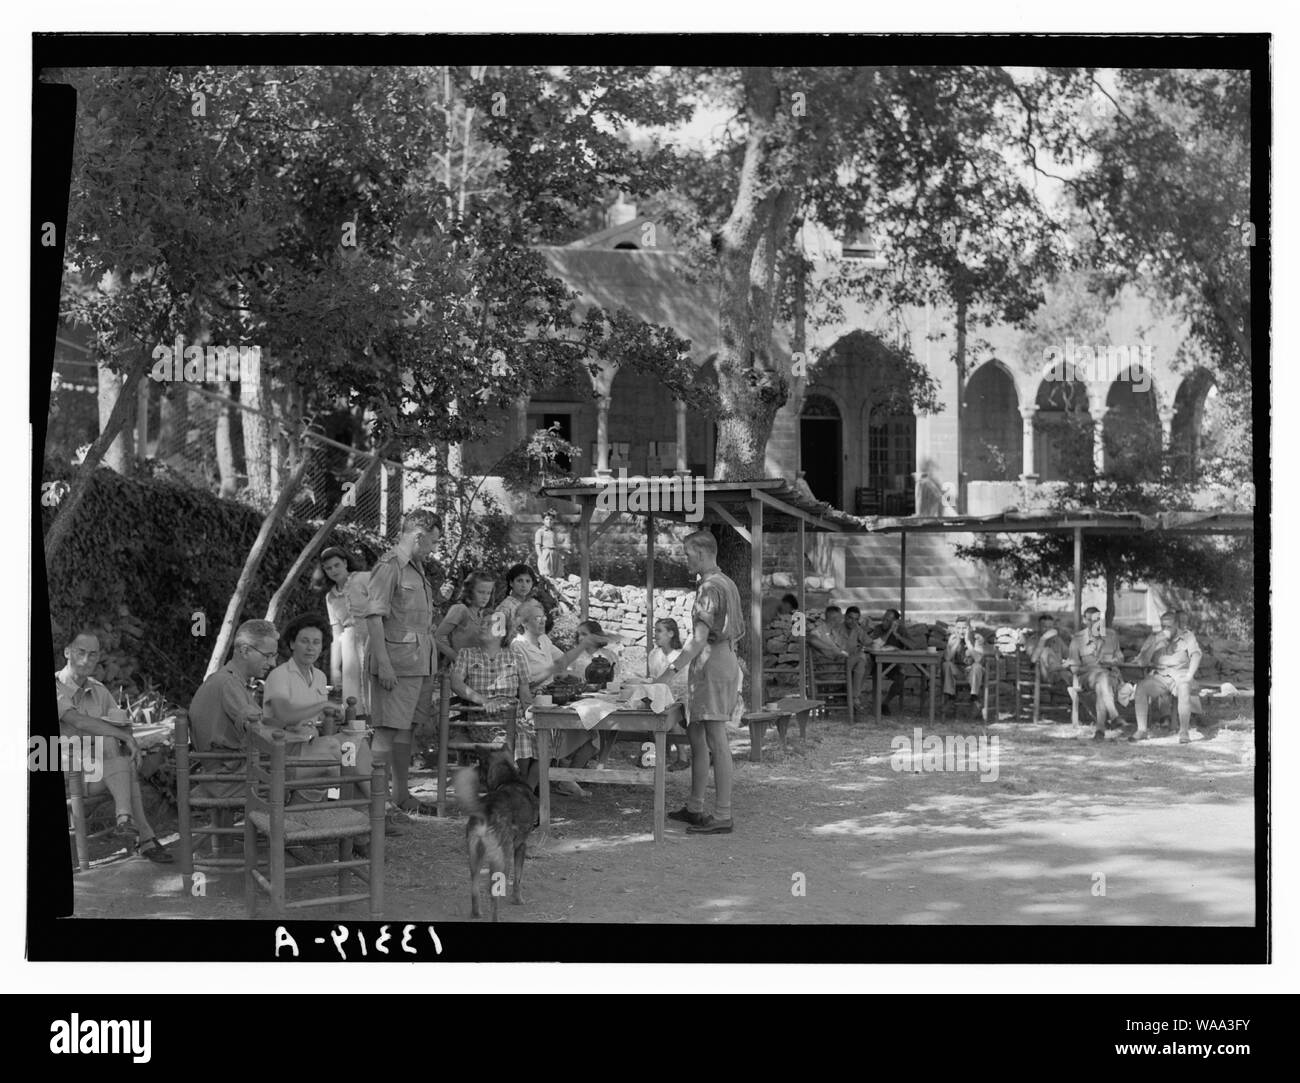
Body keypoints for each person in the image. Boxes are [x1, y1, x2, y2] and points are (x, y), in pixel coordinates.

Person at [653, 530, 743, 835]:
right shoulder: (726, 582)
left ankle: (722, 815)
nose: (685, 559)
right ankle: (695, 806)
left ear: (702, 554)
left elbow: (698, 638)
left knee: (716, 738)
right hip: (722, 658)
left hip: (712, 662)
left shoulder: (709, 588)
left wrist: (669, 672)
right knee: (698, 735)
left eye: (688, 554)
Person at [56, 630, 173, 863]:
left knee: (120, 758)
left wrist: (128, 738)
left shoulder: (99, 690)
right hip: (67, 773)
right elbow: (78, 721)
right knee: (115, 751)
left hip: (99, 772)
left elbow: (121, 724)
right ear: (67, 652)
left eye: (93, 654)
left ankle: (124, 819)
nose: (86, 659)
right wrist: (124, 738)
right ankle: (144, 837)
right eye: (81, 652)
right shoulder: (57, 687)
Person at [366, 509, 441, 820]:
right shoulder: (389, 566)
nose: (435, 548)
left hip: (418, 663)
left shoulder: (417, 567)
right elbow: (373, 616)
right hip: (396, 665)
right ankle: (376, 804)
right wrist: (383, 664)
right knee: (385, 731)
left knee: (405, 730)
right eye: (433, 542)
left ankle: (399, 795)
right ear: (418, 536)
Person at [262, 614, 377, 805]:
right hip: (284, 755)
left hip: (311, 747)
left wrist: (333, 715)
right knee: (339, 754)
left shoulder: (320, 677)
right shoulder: (279, 676)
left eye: (316, 642)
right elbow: (284, 715)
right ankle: (374, 808)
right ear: (292, 644)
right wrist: (322, 705)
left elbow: (311, 718)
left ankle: (374, 808)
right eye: (304, 641)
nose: (310, 647)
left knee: (356, 742)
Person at [509, 598, 609, 796]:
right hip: (532, 702)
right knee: (555, 735)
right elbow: (523, 683)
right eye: (536, 618)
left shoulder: (544, 640)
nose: (542, 621)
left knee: (590, 730)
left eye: (543, 617)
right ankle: (529, 789)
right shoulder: (517, 646)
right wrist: (552, 672)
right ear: (524, 623)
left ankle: (564, 777)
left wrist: (580, 655)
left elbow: (562, 661)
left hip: (553, 696)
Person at [189, 618, 277, 802]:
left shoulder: (223, 679)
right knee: (310, 769)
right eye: (267, 655)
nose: (273, 663)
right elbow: (260, 734)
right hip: (229, 778)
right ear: (245, 651)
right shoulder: (229, 685)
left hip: (223, 771)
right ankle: (291, 827)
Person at [452, 620, 531, 766]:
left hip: (514, 718)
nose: (482, 626)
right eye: (482, 623)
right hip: (483, 719)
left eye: (489, 624)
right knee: (518, 740)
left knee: (543, 738)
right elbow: (456, 684)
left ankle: (525, 785)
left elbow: (525, 695)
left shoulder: (516, 657)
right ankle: (513, 784)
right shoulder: (467, 654)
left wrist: (532, 716)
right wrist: (484, 701)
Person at [1131, 611, 1203, 744]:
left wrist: (1190, 675)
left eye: (1169, 626)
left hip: (1181, 674)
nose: (1165, 629)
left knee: (1184, 686)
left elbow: (1196, 655)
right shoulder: (1155, 637)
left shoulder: (1187, 636)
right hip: (1161, 676)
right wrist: (1153, 644)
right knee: (1141, 687)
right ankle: (1142, 730)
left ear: (1176, 624)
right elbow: (1142, 663)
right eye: (1163, 626)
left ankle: (1184, 732)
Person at [629, 617, 690, 770]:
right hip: (659, 695)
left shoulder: (679, 656)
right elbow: (654, 678)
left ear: (671, 633)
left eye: (659, 631)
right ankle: (651, 753)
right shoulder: (653, 654)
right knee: (649, 704)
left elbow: (682, 683)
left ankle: (682, 757)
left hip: (681, 697)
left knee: (669, 710)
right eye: (655, 631)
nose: (655, 634)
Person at [317, 546, 370, 715]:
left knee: (375, 686)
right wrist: (334, 668)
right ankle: (358, 732)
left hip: (373, 636)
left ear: (345, 563)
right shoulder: (330, 597)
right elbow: (336, 633)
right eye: (328, 568)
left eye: (336, 565)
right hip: (349, 644)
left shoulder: (363, 579)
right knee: (353, 694)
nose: (333, 570)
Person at [1068, 607, 1124, 741]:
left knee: (1101, 685)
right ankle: (1114, 714)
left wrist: (1111, 662)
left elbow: (1120, 658)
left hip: (1111, 677)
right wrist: (1094, 667)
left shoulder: (1111, 635)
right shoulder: (1077, 639)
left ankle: (1100, 731)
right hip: (1087, 678)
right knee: (1100, 677)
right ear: (1084, 620)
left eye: (1097, 620)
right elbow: (1074, 669)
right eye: (1090, 620)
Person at [870, 607, 926, 715]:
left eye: (888, 620)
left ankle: (885, 703)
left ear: (895, 622)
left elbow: (912, 645)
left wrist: (898, 636)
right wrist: (889, 632)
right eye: (884, 618)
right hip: (878, 662)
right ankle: (876, 706)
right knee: (877, 674)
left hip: (894, 663)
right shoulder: (878, 628)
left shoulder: (901, 629)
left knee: (901, 678)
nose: (884, 622)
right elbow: (875, 645)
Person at [435, 570, 496, 667]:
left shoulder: (483, 616)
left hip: (477, 672)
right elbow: (438, 637)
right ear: (470, 591)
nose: (485, 597)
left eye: (488, 593)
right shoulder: (460, 609)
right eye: (481, 592)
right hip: (457, 673)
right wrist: (458, 659)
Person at [810, 605, 868, 702]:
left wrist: (846, 652)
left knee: (862, 660)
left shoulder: (834, 632)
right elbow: (812, 639)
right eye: (841, 617)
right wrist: (831, 649)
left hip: (839, 666)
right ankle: (854, 697)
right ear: (835, 619)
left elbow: (842, 651)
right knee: (862, 659)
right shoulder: (820, 630)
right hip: (828, 670)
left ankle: (853, 697)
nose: (842, 620)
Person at [942, 617, 986, 711]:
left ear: (969, 628)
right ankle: (951, 697)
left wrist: (968, 642)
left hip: (972, 672)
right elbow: (947, 658)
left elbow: (978, 659)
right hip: (958, 671)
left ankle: (974, 697)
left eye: (964, 628)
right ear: (955, 629)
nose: (961, 631)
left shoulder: (977, 638)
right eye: (958, 628)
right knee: (946, 665)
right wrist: (956, 642)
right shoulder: (953, 638)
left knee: (977, 666)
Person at [494, 563, 538, 641]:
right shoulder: (505, 607)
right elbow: (496, 636)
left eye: (528, 581)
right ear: (511, 583)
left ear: (532, 584)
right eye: (519, 581)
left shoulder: (529, 605)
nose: (524, 585)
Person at [1028, 613, 1071, 687]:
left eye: (1050, 627)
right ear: (1039, 627)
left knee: (1069, 676)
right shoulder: (1032, 640)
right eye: (1045, 627)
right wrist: (1043, 639)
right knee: (1046, 650)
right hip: (1043, 675)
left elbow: (1070, 655)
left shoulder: (1057, 640)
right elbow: (1033, 660)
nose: (1048, 630)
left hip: (1059, 674)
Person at [534, 509, 561, 583]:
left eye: (551, 519)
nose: (549, 521)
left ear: (553, 521)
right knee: (546, 574)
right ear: (543, 521)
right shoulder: (540, 531)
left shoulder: (554, 532)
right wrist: (541, 557)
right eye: (547, 519)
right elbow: (537, 546)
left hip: (554, 554)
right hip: (545, 553)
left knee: (555, 575)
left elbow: (556, 544)